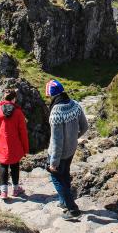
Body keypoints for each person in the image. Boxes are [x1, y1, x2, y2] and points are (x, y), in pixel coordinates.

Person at [45, 79, 88, 220]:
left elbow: (57, 141)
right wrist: (74, 138)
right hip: (71, 149)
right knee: (65, 175)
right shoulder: (75, 105)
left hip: (59, 153)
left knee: (57, 179)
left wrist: (53, 162)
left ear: (52, 95)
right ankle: (64, 202)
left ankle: (72, 209)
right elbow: (85, 127)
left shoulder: (56, 112)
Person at [0, 88, 29, 199]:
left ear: (4, 98)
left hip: (1, 143)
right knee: (15, 165)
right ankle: (16, 190)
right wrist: (25, 148)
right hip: (15, 144)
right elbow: (23, 132)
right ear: (14, 99)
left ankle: (3, 192)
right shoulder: (18, 113)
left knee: (3, 165)